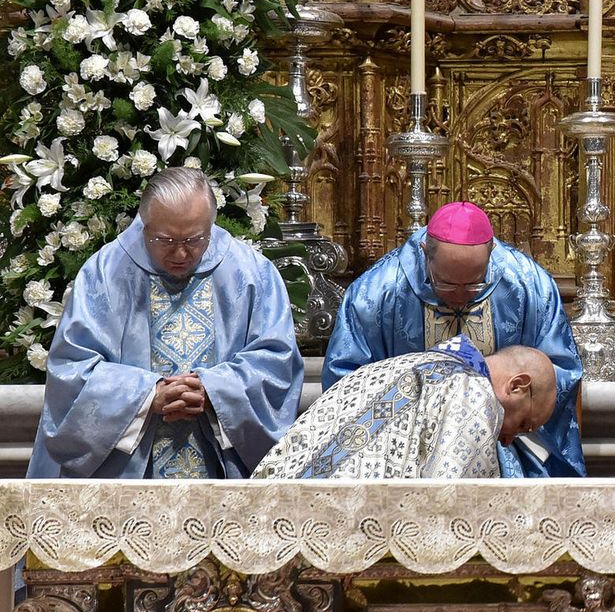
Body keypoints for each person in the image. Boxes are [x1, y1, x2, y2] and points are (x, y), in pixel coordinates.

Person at [28, 168, 302, 480]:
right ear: (144, 224)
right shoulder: (104, 272)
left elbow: (277, 364)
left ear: (211, 224)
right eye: (164, 240)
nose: (181, 253)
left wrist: (215, 392)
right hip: (127, 481)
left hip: (223, 475)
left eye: (195, 239)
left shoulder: (251, 272)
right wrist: (146, 397)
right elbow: (70, 372)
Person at [322, 200, 585, 477]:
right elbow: (346, 384)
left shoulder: (529, 285)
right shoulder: (376, 292)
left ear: (491, 252)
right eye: (446, 283)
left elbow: (561, 372)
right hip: (400, 454)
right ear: (425, 253)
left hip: (506, 453)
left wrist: (502, 401)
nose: (460, 296)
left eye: (475, 283)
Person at [254, 337, 558, 480]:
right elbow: (454, 501)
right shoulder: (474, 392)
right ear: (517, 385)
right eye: (522, 425)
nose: (508, 441)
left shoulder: (391, 367)